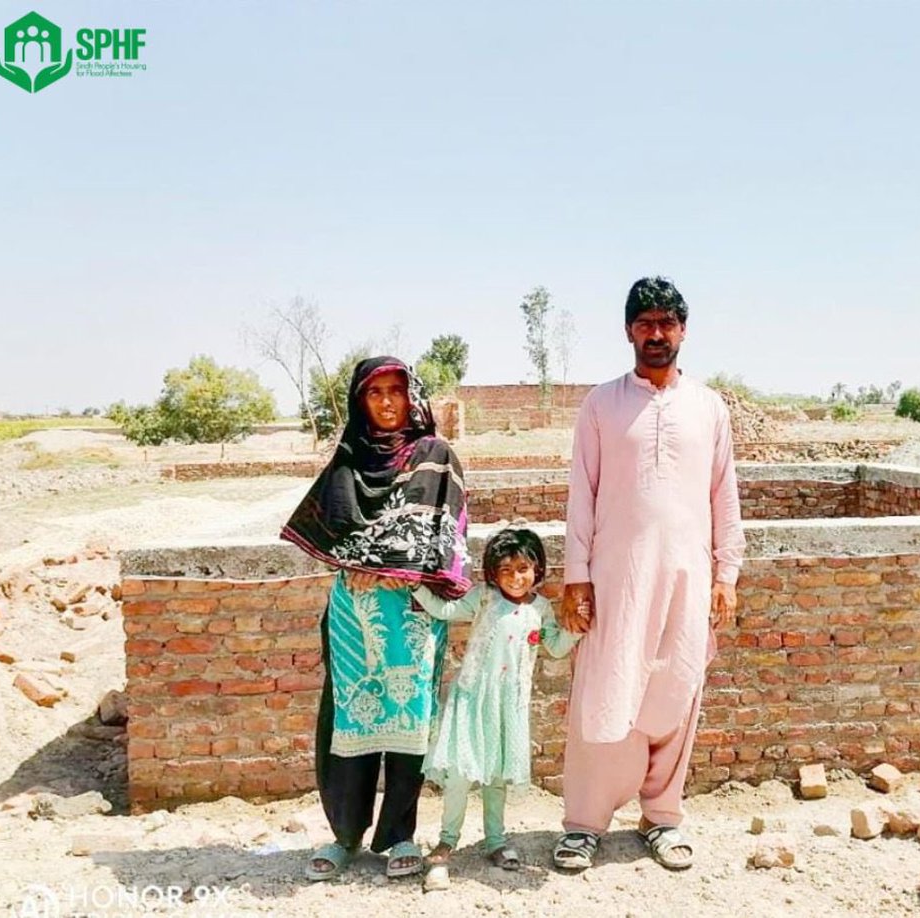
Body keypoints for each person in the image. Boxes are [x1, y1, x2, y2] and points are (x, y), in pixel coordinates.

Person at [552, 276, 746, 872]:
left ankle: (661, 818)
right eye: (645, 323)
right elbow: (580, 496)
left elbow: (725, 496)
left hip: (687, 579)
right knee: (603, 692)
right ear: (628, 331)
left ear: (683, 330)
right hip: (617, 577)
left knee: (676, 691)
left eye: (666, 323)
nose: (656, 333)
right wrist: (576, 576)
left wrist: (727, 573)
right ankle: (584, 823)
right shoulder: (601, 404)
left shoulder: (709, 407)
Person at [280, 356, 471, 882]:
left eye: (396, 390)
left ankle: (400, 836)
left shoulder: (435, 455)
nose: (388, 401)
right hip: (353, 613)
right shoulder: (347, 460)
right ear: (359, 402)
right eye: (375, 392)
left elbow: (443, 533)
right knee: (349, 718)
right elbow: (334, 529)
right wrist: (361, 564)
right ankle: (344, 835)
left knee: (408, 724)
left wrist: (391, 570)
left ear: (412, 396)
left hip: (411, 612)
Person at [412, 527, 578, 891]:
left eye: (523, 569)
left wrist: (578, 628)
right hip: (472, 700)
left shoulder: (541, 609)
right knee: (459, 776)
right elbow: (445, 609)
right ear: (492, 574)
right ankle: (445, 843)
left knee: (497, 778)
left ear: (537, 570)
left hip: (509, 706)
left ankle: (496, 840)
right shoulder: (483, 599)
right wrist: (414, 586)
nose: (516, 578)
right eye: (506, 570)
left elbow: (556, 646)